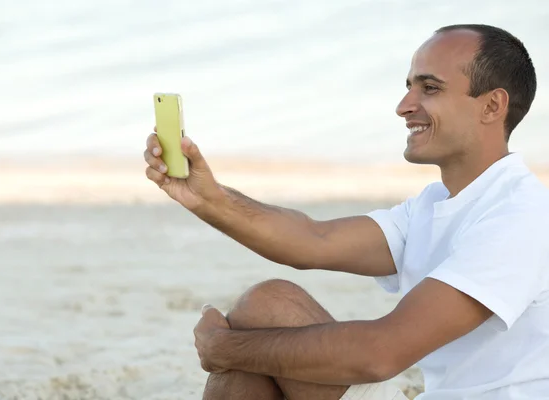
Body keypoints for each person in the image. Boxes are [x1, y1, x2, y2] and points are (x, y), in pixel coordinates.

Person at [144, 24, 549, 400]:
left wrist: (223, 347)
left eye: (430, 88)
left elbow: (380, 353)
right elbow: (312, 241)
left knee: (248, 347)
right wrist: (207, 197)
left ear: (493, 106)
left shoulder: (521, 215)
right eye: (409, 87)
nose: (404, 106)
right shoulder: (436, 203)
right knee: (269, 303)